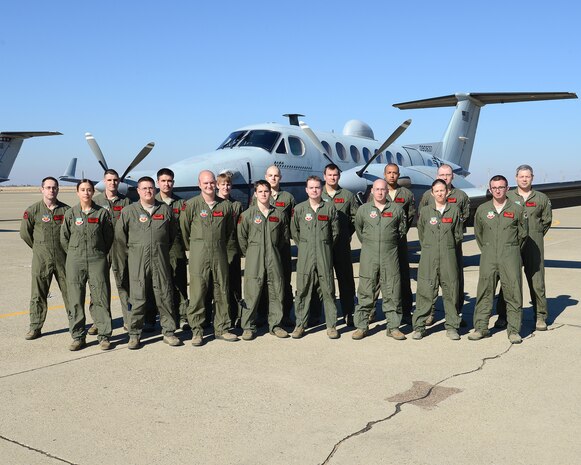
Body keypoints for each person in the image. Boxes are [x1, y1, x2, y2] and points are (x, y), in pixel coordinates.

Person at [116, 176, 181, 350]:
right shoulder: (129, 211)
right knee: (137, 298)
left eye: (151, 188)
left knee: (165, 296)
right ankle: (134, 334)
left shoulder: (165, 210)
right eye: (144, 188)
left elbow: (172, 234)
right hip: (137, 261)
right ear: (138, 191)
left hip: (160, 259)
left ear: (156, 189)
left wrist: (160, 249)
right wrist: (134, 254)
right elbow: (120, 239)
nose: (148, 191)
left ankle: (168, 332)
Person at [180, 170, 238, 346]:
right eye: (205, 183)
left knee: (222, 291)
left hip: (219, 252)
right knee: (198, 292)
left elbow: (229, 231)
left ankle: (222, 328)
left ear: (216, 183)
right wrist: (197, 246)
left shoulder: (225, 206)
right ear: (199, 184)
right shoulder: (191, 205)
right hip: (199, 253)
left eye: (212, 183)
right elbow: (184, 230)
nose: (209, 186)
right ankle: (197, 331)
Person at [469, 175, 528, 344]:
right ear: (490, 189)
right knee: (484, 291)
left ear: (507, 188)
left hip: (510, 255)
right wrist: (488, 248)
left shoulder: (517, 209)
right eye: (494, 187)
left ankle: (514, 330)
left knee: (513, 292)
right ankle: (481, 327)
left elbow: (523, 235)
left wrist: (510, 249)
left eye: (501, 187)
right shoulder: (482, 209)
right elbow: (478, 234)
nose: (497, 190)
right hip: (488, 255)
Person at [495, 165, 552, 331]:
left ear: (532, 178)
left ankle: (540, 316)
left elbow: (546, 221)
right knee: (508, 280)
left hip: (534, 245)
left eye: (527, 176)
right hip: (512, 245)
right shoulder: (508, 196)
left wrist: (534, 234)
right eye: (521, 176)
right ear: (516, 178)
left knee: (537, 281)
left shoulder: (541, 198)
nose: (524, 179)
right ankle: (503, 315)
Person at [60, 180, 114, 351]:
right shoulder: (70, 213)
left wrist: (97, 252)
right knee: (75, 299)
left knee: (101, 297)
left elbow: (108, 237)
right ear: (77, 192)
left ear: (92, 192)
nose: (86, 193)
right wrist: (75, 253)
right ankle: (78, 336)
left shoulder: (101, 214)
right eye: (83, 190)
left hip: (97, 259)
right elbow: (64, 238)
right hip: (75, 261)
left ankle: (104, 335)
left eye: (89, 190)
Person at [352, 179, 407, 340]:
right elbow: (359, 230)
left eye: (383, 189)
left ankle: (393, 327)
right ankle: (361, 326)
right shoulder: (363, 210)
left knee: (392, 290)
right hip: (369, 255)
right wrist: (371, 244)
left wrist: (386, 244)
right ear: (372, 191)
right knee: (365, 290)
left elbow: (401, 232)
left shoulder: (397, 210)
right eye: (377, 189)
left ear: (387, 191)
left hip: (390, 255)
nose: (380, 192)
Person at [418, 164, 470, 325]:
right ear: (436, 175)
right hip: (432, 246)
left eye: (448, 174)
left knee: (455, 281)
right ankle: (430, 313)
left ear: (453, 176)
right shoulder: (428, 195)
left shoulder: (461, 195)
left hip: (452, 246)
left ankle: (456, 313)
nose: (445, 177)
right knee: (429, 281)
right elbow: (422, 221)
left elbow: (464, 217)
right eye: (442, 174)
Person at [237, 180, 289, 340]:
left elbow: (283, 239)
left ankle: (276, 325)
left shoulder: (279, 215)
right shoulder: (246, 216)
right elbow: (242, 238)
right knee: (252, 292)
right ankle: (248, 326)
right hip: (255, 259)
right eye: (260, 191)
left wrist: (273, 251)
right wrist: (253, 253)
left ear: (270, 193)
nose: (264, 194)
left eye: (266, 191)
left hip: (274, 258)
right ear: (255, 194)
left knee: (276, 291)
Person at [20, 177, 70, 340]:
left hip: (63, 258)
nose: (51, 190)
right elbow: (25, 233)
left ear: (58, 189)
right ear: (41, 189)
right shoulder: (33, 210)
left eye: (54, 187)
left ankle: (75, 323)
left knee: (70, 292)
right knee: (38, 294)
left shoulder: (66, 211)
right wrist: (38, 248)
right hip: (41, 259)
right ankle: (35, 326)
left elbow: (71, 234)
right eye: (48, 187)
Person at [412, 179, 463, 341]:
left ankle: (452, 327)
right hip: (429, 255)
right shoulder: (426, 211)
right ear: (432, 193)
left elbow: (458, 235)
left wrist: (446, 247)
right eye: (437, 191)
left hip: (448, 256)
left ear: (447, 192)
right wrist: (429, 247)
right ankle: (419, 327)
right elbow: (422, 232)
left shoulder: (454, 210)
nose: (440, 193)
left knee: (451, 291)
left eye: (443, 190)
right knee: (425, 291)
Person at [290, 176, 340, 339]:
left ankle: (331, 325)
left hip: (324, 254)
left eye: (317, 187)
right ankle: (300, 324)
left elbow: (335, 232)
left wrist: (324, 246)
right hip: (305, 255)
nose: (314, 190)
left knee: (328, 289)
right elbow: (294, 231)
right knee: (303, 290)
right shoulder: (299, 209)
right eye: (311, 188)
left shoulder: (329, 208)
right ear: (306, 190)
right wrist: (304, 246)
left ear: (321, 189)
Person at [92, 169, 131, 331]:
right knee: (99, 286)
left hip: (121, 248)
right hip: (101, 249)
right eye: (109, 180)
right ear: (104, 181)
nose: (112, 183)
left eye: (115, 180)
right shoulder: (96, 201)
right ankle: (98, 321)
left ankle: (129, 320)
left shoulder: (126, 202)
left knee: (124, 284)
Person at [322, 163, 358, 326]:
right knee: (321, 280)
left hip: (341, 246)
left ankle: (349, 312)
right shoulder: (317, 193)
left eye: (335, 175)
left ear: (339, 176)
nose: (332, 177)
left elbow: (355, 219)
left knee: (346, 280)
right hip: (322, 246)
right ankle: (318, 314)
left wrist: (344, 235)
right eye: (329, 175)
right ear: (324, 176)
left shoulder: (347, 196)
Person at [155, 168, 189, 329]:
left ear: (173, 183)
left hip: (176, 247)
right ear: (158, 183)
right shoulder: (152, 202)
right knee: (158, 283)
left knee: (180, 281)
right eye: (163, 181)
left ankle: (183, 316)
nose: (166, 184)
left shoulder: (181, 204)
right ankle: (157, 316)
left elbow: (186, 227)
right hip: (157, 247)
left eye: (169, 181)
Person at [262, 165, 296, 327]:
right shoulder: (259, 196)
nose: (273, 178)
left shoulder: (288, 198)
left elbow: (293, 223)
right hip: (264, 246)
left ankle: (285, 314)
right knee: (263, 280)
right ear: (266, 176)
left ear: (280, 177)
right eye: (270, 175)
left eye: (276, 175)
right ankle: (263, 314)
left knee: (284, 280)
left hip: (282, 247)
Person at [384, 163, 416, 323]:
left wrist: (400, 232)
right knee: (377, 277)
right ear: (385, 175)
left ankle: (405, 311)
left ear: (398, 175)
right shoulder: (378, 192)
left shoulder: (407, 194)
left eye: (395, 173)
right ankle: (371, 312)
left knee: (403, 275)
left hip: (400, 241)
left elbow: (410, 216)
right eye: (389, 173)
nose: (392, 176)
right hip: (382, 242)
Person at [216, 171, 243, 327]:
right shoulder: (213, 204)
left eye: (228, 184)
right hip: (217, 246)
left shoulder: (236, 205)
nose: (226, 187)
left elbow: (240, 228)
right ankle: (217, 314)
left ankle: (236, 315)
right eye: (223, 184)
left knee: (234, 282)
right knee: (216, 283)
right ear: (217, 186)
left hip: (232, 247)